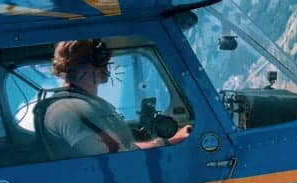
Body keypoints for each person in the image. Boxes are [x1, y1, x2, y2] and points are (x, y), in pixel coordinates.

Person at [36, 39, 191, 158]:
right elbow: (118, 156)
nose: (107, 64)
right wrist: (173, 141)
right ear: (87, 65)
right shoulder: (71, 110)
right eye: (102, 59)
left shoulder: (81, 104)